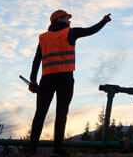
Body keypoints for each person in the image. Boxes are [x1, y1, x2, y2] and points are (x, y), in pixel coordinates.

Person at [27, 9, 112, 156]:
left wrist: (33, 80)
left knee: (40, 114)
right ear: (59, 20)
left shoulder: (44, 38)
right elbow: (91, 30)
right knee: (61, 114)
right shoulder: (70, 33)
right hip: (65, 79)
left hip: (47, 80)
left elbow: (36, 60)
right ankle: (57, 149)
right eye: (67, 18)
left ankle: (31, 150)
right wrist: (104, 21)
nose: (69, 20)